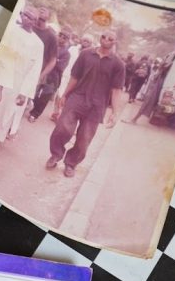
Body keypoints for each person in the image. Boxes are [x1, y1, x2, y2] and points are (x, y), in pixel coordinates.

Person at [46, 30, 126, 178]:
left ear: (114, 42)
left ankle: (71, 164)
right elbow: (74, 77)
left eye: (110, 38)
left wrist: (115, 112)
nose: (106, 39)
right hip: (77, 98)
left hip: (97, 106)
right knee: (62, 128)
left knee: (84, 139)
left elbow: (116, 90)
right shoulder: (86, 54)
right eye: (103, 36)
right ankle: (56, 155)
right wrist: (65, 95)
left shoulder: (118, 64)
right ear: (99, 37)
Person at [0, 6, 45, 151]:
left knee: (9, 110)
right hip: (3, 74)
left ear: (35, 22)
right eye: (24, 14)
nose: (25, 18)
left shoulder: (38, 44)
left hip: (20, 82)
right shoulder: (11, 30)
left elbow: (34, 71)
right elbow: (3, 56)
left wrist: (25, 93)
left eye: (29, 17)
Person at [30, 29, 71, 121]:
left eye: (64, 38)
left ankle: (35, 114)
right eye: (60, 35)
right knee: (34, 92)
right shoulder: (50, 45)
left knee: (44, 97)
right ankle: (29, 107)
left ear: (67, 40)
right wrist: (53, 60)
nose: (61, 39)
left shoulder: (66, 54)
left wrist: (53, 61)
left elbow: (61, 66)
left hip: (53, 78)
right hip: (42, 72)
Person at [124, 56, 173, 125]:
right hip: (152, 92)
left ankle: (134, 120)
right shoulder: (160, 74)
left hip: (152, 93)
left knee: (145, 105)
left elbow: (154, 79)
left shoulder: (160, 74)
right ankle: (134, 119)